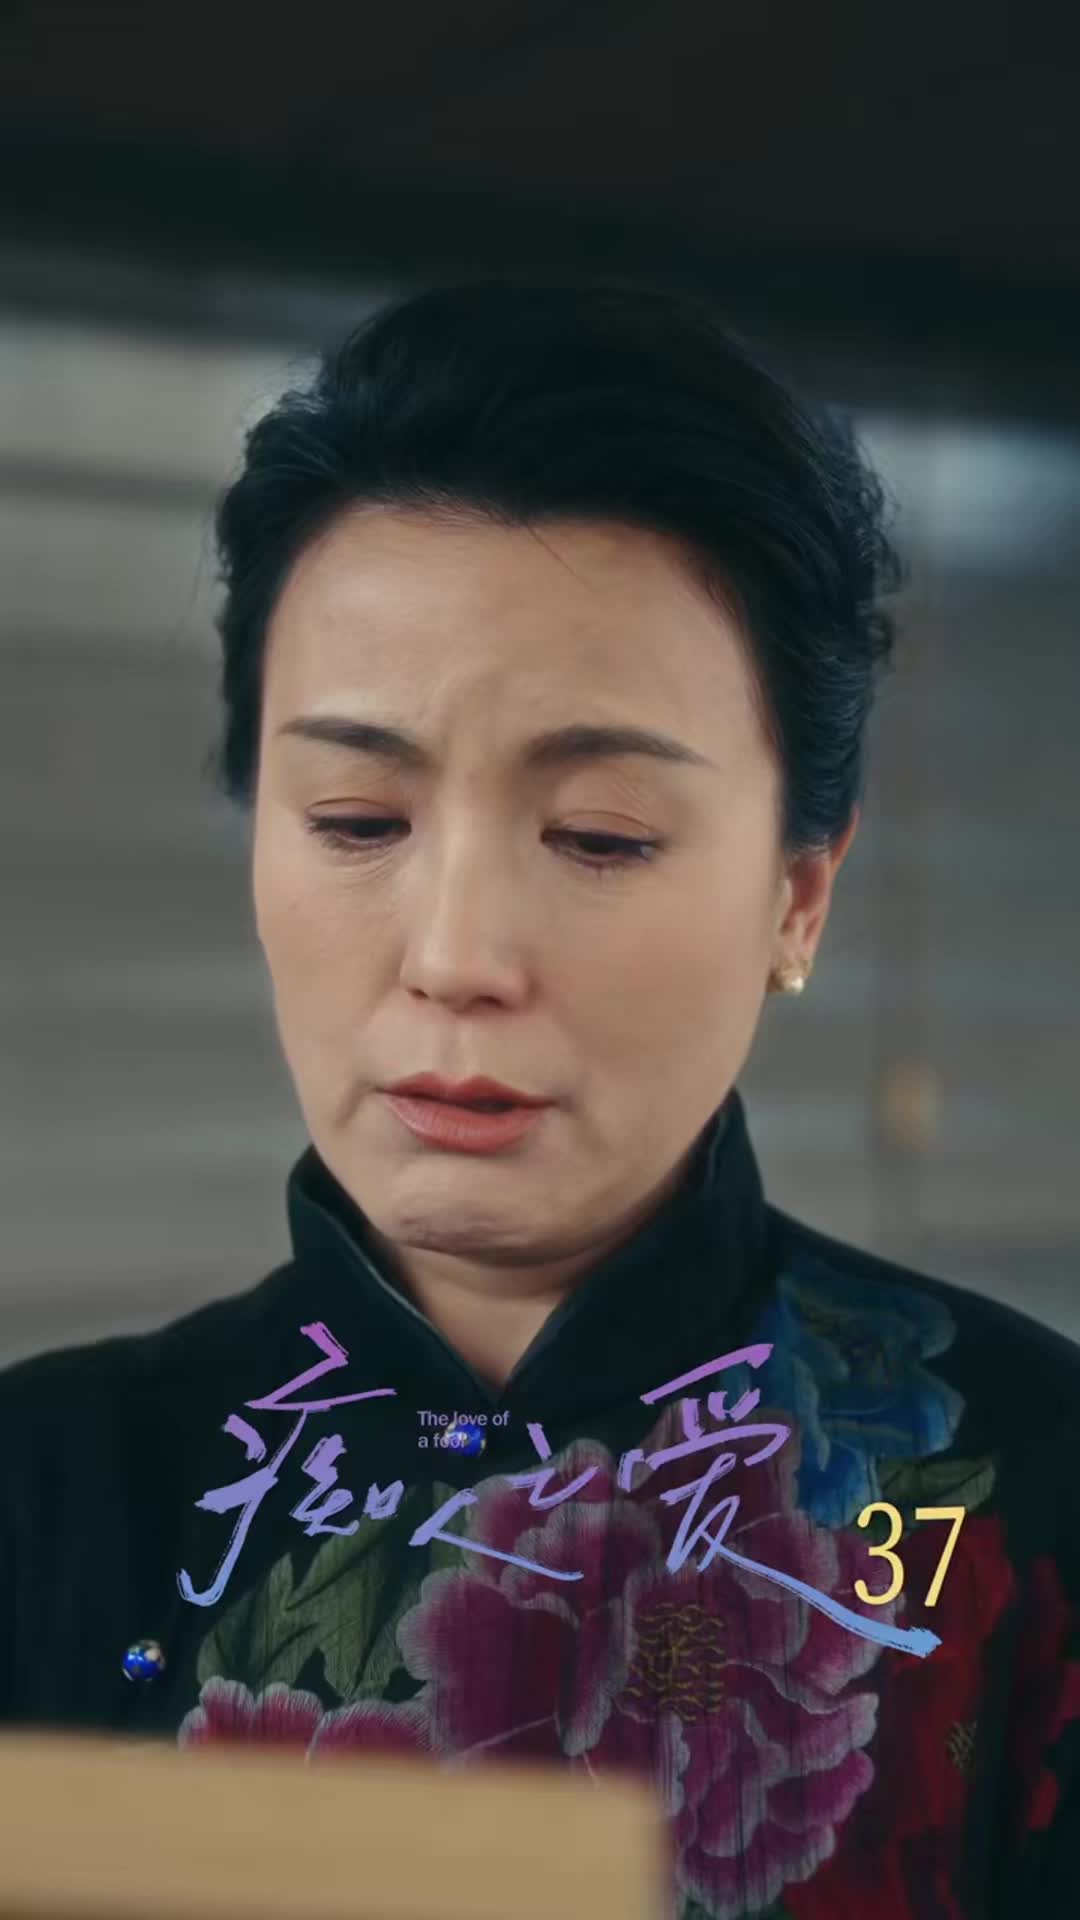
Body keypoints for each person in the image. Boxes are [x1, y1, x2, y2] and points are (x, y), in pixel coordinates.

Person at [1, 273, 1077, 1919]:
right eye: (357, 820)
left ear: (798, 896)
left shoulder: (1036, 1495)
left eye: (599, 837)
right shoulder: (45, 1492)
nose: (455, 957)